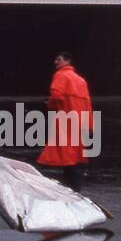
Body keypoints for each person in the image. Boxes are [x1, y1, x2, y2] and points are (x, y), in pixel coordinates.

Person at [37, 51, 93, 185]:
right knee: (72, 152)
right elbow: (87, 103)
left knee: (66, 152)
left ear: (67, 61)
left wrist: (50, 104)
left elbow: (56, 95)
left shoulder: (61, 75)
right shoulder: (80, 80)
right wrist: (90, 124)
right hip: (79, 119)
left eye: (59, 60)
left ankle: (73, 184)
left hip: (66, 119)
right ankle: (74, 184)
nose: (56, 62)